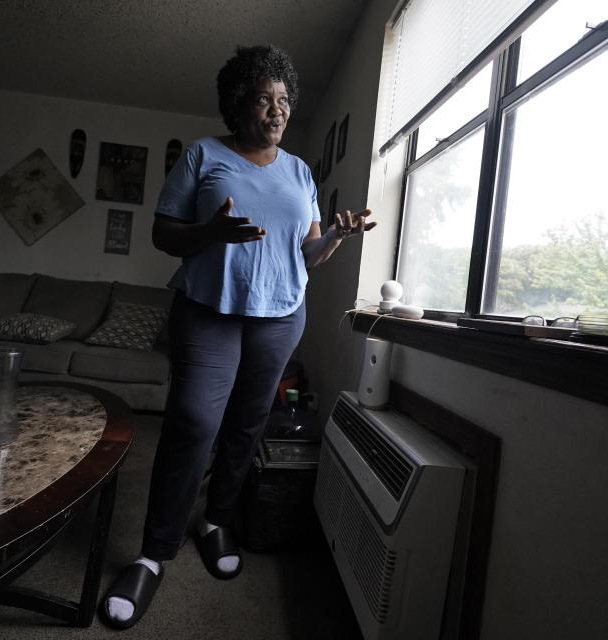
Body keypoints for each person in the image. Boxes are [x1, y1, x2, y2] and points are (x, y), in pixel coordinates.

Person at [99, 44, 376, 629]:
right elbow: (163, 234)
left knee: (248, 428)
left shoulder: (301, 171)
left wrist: (338, 239)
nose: (276, 110)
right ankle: (153, 554)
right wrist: (210, 232)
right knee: (193, 423)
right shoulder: (204, 155)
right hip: (209, 311)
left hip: (280, 316)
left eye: (283, 100)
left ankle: (217, 519)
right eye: (262, 98)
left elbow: (307, 252)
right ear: (237, 104)